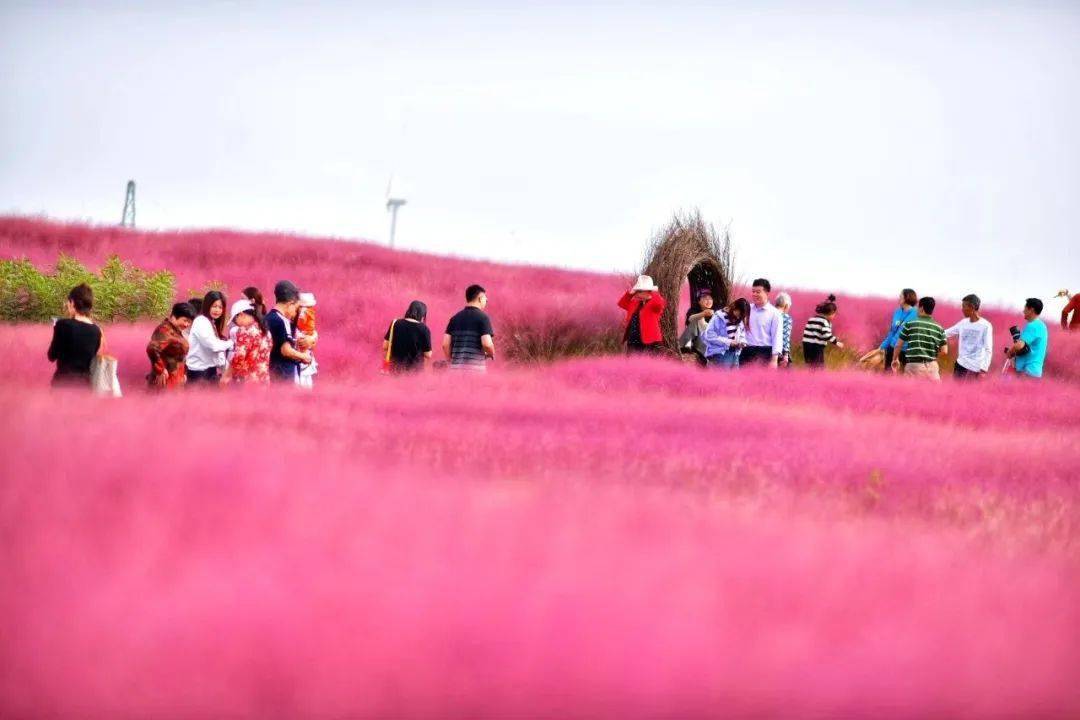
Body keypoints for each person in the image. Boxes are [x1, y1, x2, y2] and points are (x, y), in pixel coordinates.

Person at [47, 283, 103, 387]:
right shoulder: (96, 330)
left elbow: (51, 356)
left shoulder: (63, 324)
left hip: (63, 384)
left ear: (72, 302)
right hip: (85, 386)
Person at [265, 280, 313, 384]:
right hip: (283, 374)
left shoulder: (268, 318)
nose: (295, 313)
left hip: (274, 373)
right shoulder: (281, 321)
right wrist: (305, 357)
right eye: (295, 309)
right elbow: (286, 350)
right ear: (290, 304)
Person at [186, 290, 234, 384]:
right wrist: (232, 342)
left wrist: (227, 369)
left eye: (220, 307)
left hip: (209, 371)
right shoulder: (201, 321)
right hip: (199, 373)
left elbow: (215, 352)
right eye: (214, 306)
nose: (217, 310)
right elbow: (213, 345)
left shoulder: (210, 322)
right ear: (207, 305)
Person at [894, 297, 947, 380]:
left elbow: (898, 345)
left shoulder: (910, 324)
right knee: (933, 393)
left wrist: (895, 359)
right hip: (932, 369)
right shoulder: (939, 328)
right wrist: (931, 359)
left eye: (918, 307)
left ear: (922, 308)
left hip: (914, 367)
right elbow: (944, 351)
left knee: (910, 392)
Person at [444, 284, 496, 370]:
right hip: (475, 372)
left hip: (455, 371)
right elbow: (487, 344)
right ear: (480, 298)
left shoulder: (454, 318)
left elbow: (445, 344)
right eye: (485, 297)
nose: (487, 300)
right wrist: (492, 353)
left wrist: (451, 361)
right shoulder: (483, 318)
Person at [147, 302, 197, 389]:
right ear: (174, 316)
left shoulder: (174, 330)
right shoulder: (165, 330)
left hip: (175, 377)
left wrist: (184, 373)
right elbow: (152, 348)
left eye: (189, 322)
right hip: (166, 379)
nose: (186, 325)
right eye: (185, 320)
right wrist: (160, 369)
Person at [221, 299, 271, 385]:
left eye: (235, 320)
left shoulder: (245, 331)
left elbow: (239, 356)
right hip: (263, 379)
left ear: (241, 315)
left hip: (247, 381)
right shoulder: (265, 331)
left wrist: (226, 376)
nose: (236, 324)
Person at [944, 294, 993, 380]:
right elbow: (946, 333)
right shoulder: (963, 323)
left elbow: (988, 349)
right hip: (960, 366)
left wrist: (984, 370)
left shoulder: (986, 326)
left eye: (964, 306)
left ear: (972, 307)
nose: (962, 309)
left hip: (975, 369)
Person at [618, 275, 666, 354]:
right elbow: (622, 304)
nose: (637, 293)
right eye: (637, 290)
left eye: (639, 291)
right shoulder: (635, 302)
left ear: (647, 291)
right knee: (631, 364)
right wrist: (630, 294)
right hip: (633, 340)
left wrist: (651, 295)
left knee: (649, 363)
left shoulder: (654, 302)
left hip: (650, 341)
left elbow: (660, 304)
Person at [742, 278, 783, 367]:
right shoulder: (746, 309)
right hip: (746, 352)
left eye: (758, 292)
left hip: (765, 353)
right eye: (753, 291)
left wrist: (774, 360)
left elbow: (777, 337)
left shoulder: (775, 313)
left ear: (767, 293)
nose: (755, 294)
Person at [384, 300, 433, 372]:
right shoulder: (424, 329)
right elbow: (428, 355)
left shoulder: (395, 323)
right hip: (415, 372)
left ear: (409, 310)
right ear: (422, 315)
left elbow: (385, 346)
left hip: (395, 370)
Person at [1007, 298, 1050, 379]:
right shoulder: (1042, 326)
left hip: (1028, 372)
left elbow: (1019, 346)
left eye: (1025, 309)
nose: (1023, 311)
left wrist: (1010, 352)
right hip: (1035, 372)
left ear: (1031, 310)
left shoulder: (1032, 326)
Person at [702, 298, 750, 369]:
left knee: (734, 380)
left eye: (741, 316)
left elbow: (742, 334)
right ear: (734, 307)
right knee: (720, 379)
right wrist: (729, 342)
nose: (738, 317)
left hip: (735, 354)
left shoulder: (740, 319)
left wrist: (742, 342)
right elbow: (709, 335)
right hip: (720, 355)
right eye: (738, 314)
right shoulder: (719, 317)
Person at [880, 289, 919, 372]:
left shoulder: (916, 313)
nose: (899, 298)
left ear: (906, 298)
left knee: (904, 377)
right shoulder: (897, 312)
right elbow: (892, 331)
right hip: (892, 348)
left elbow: (906, 332)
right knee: (888, 374)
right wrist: (882, 346)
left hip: (907, 352)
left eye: (900, 296)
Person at [801, 294, 844, 368]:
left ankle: (809, 378)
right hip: (816, 347)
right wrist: (836, 342)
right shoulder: (824, 321)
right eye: (834, 314)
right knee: (819, 367)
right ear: (831, 313)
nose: (834, 316)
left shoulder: (811, 319)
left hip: (806, 346)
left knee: (810, 366)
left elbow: (806, 332)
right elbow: (826, 334)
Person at [679, 289, 715, 366]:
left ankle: (682, 345)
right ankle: (682, 346)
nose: (708, 301)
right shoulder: (694, 310)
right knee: (696, 321)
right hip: (696, 340)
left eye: (710, 299)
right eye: (705, 298)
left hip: (709, 342)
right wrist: (703, 314)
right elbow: (690, 319)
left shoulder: (715, 313)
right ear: (699, 301)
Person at [296, 292, 319, 388]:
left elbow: (313, 334)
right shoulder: (303, 314)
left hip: (305, 362)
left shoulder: (307, 315)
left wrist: (312, 338)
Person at [774, 292, 793, 368]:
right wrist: (785, 354)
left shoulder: (770, 314)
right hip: (780, 352)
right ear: (786, 305)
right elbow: (785, 336)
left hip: (767, 351)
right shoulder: (786, 317)